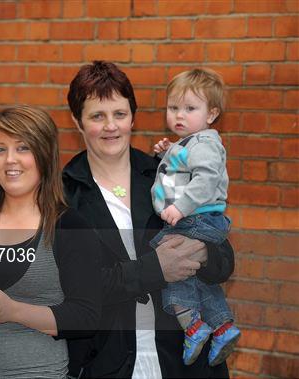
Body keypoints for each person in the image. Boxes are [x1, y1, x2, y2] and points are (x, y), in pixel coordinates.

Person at [62, 61, 235, 378]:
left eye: (120, 114)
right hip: (109, 363)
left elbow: (224, 260)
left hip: (184, 363)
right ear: (77, 120)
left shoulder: (169, 170)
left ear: (133, 117)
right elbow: (70, 290)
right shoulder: (63, 194)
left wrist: (203, 253)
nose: (111, 126)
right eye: (97, 116)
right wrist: (155, 269)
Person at [0, 105, 101, 378]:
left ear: (44, 155)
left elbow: (85, 317)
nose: (10, 160)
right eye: (0, 150)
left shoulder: (68, 225)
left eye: (23, 148)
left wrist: (13, 311)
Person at [150, 68, 240, 367]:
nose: (179, 115)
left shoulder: (203, 144)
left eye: (190, 109)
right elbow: (183, 168)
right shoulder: (192, 142)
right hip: (200, 219)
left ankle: (192, 325)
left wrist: (180, 207)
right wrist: (168, 152)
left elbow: (204, 178)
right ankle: (223, 326)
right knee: (200, 279)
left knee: (164, 259)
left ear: (211, 114)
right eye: (173, 107)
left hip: (195, 218)